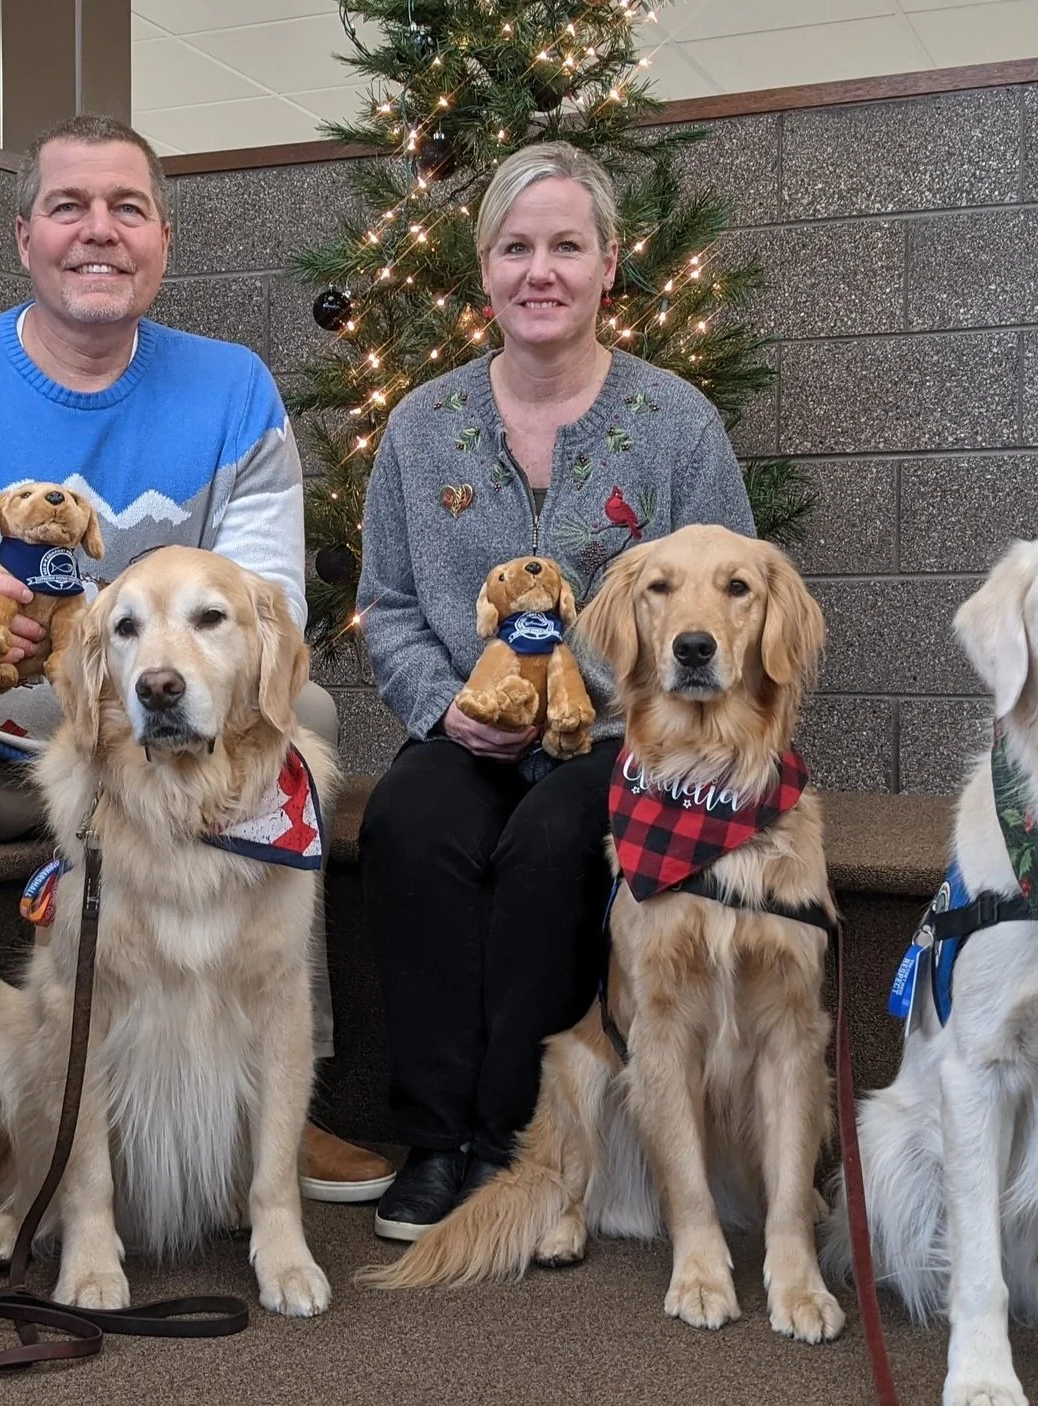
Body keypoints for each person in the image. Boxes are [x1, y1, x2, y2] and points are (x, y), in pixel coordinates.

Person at [0, 114, 390, 1291]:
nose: (98, 230)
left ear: (164, 236)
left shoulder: (231, 387)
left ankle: (276, 1092)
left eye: (127, 206)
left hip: (145, 766)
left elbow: (265, 614)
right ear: (24, 236)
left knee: (301, 720)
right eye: (69, 205)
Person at [354, 142, 758, 1240]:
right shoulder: (421, 424)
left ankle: (526, 1141)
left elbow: (735, 594)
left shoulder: (675, 423)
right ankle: (438, 1140)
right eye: (516, 246)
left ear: (608, 264)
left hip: (629, 739)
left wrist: (655, 725)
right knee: (409, 819)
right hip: (464, 720)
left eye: (566, 246)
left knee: (550, 839)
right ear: (483, 268)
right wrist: (442, 709)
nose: (542, 269)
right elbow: (386, 602)